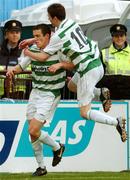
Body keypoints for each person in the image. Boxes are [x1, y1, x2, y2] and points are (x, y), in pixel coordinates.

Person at [19, 3, 127, 143]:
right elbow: (50, 36)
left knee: (84, 113)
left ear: (55, 17)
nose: (49, 20)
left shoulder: (58, 37)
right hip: (95, 62)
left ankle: (116, 122)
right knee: (71, 86)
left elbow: (43, 56)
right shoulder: (70, 23)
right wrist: (33, 39)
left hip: (87, 70)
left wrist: (27, 51)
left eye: (50, 18)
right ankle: (101, 92)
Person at [7, 23, 75, 176]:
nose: (35, 39)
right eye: (34, 36)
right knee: (33, 133)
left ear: (48, 36)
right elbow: (21, 67)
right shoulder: (32, 50)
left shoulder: (59, 50)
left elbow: (73, 64)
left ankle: (57, 147)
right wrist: (13, 71)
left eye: (38, 36)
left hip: (50, 94)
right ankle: (41, 167)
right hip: (35, 93)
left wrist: (60, 65)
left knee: (33, 129)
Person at [97, 24, 130, 99]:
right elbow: (99, 74)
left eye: (121, 35)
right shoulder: (104, 52)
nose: (119, 38)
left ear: (125, 36)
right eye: (116, 36)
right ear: (112, 37)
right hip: (111, 91)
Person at [0, 20, 31, 99]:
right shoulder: (0, 50)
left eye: (17, 32)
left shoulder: (26, 51)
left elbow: (29, 69)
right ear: (6, 34)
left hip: (19, 92)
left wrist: (12, 70)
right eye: (12, 32)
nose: (15, 35)